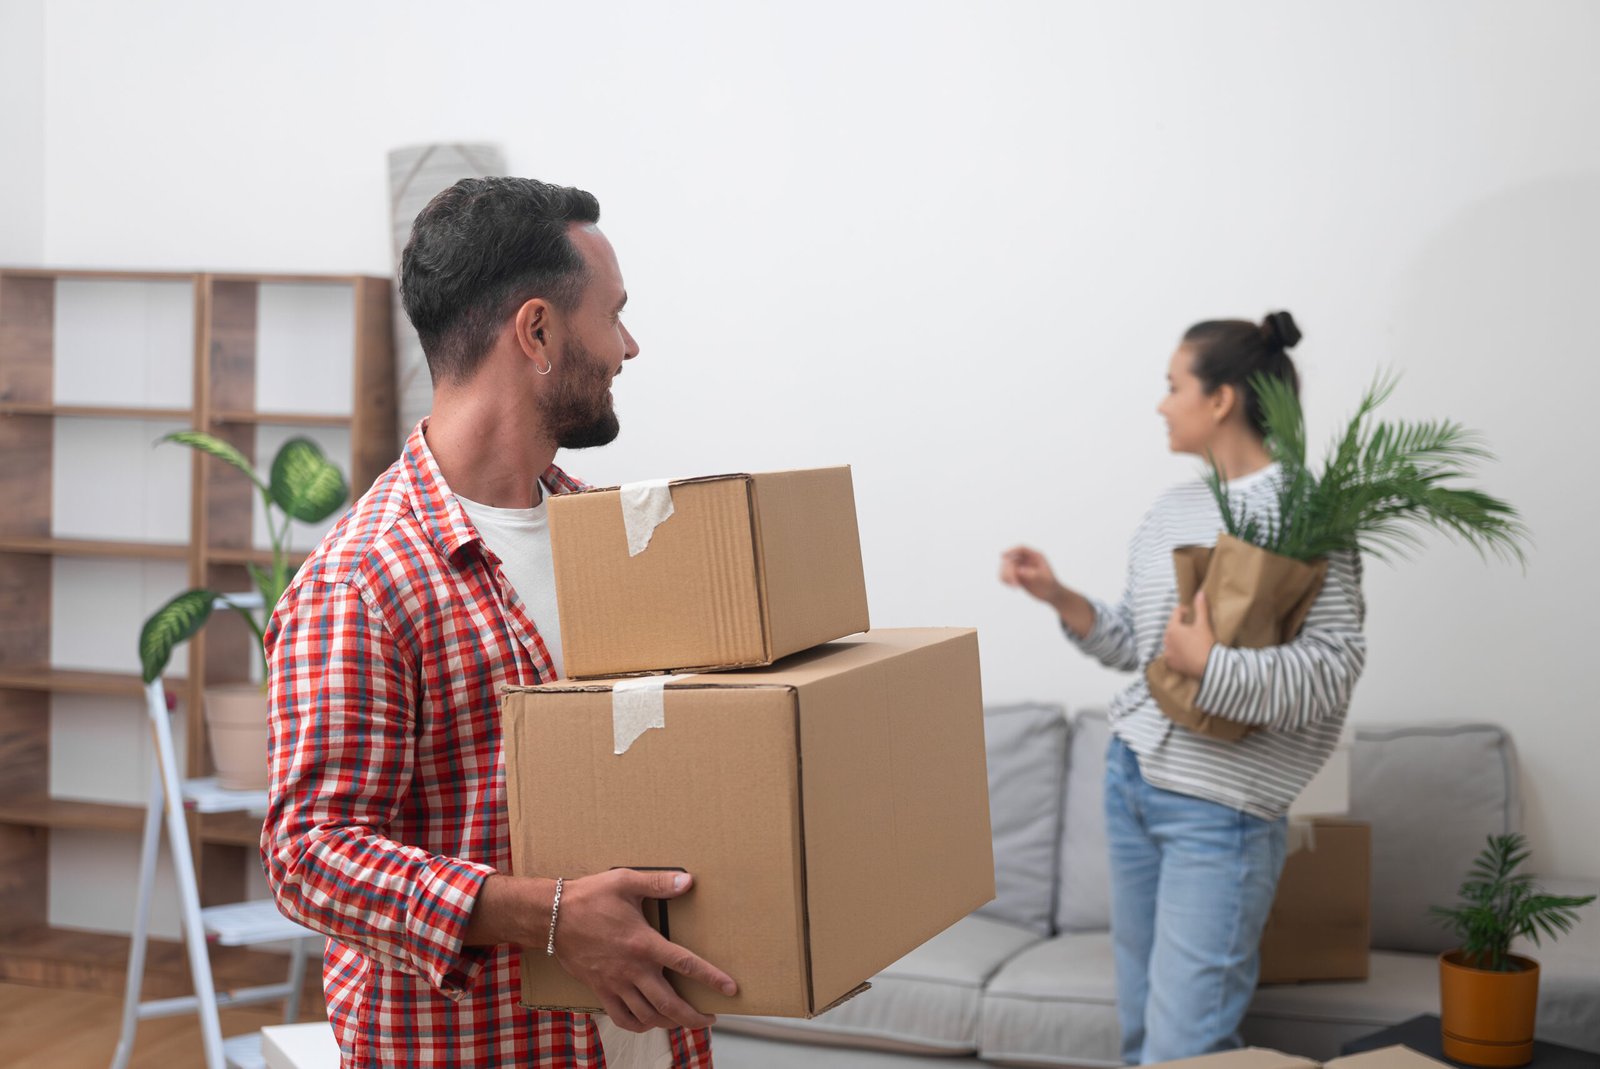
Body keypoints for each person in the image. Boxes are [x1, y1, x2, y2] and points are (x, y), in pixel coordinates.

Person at [262, 176, 736, 1069]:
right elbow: (308, 856)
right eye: (615, 315)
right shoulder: (364, 579)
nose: (631, 346)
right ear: (538, 331)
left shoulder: (616, 544)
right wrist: (550, 917)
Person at [1000, 313, 1366, 1064]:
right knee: (1140, 1034)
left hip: (1221, 812)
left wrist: (1211, 665)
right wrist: (1059, 595)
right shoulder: (1173, 509)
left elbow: (1332, 671)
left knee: (1187, 1050)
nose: (1162, 403)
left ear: (1222, 398)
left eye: (1174, 386)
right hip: (1129, 777)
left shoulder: (1312, 512)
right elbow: (1143, 647)